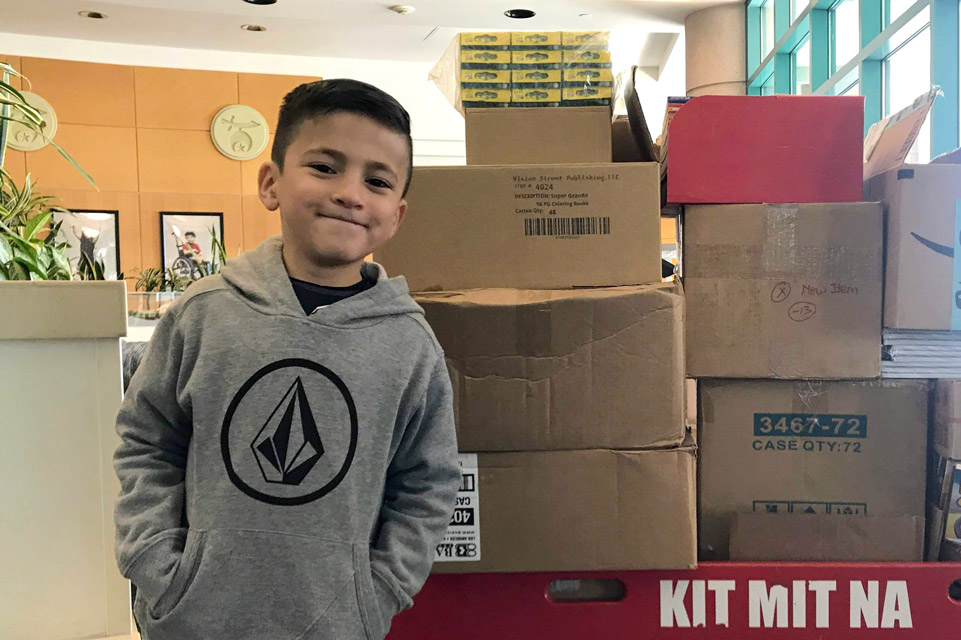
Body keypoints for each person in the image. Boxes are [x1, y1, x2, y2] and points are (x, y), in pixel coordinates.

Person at [113, 79, 461, 640]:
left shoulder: (410, 344)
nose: (351, 192)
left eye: (376, 180)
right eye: (325, 167)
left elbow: (428, 481)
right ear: (271, 183)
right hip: (191, 617)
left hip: (338, 623)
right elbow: (147, 442)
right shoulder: (202, 315)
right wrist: (157, 564)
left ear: (396, 215)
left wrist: (379, 591)